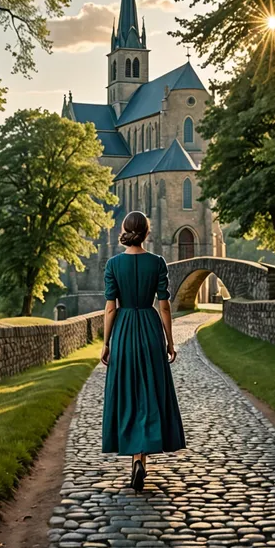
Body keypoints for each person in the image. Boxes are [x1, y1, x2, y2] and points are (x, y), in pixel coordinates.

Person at [100, 210, 186, 494]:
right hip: (149, 330)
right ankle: (141, 460)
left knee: (127, 391)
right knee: (148, 392)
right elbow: (163, 305)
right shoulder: (157, 263)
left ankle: (134, 456)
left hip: (124, 331)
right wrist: (170, 341)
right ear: (147, 232)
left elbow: (111, 307)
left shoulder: (113, 264)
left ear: (124, 230)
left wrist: (106, 342)